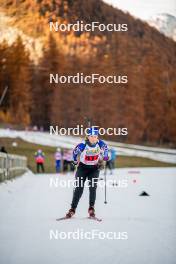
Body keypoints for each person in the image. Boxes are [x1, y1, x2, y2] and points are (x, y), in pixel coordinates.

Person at [65, 126, 109, 218]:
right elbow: (74, 152)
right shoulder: (83, 144)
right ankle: (72, 209)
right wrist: (75, 161)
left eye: (95, 136)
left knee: (93, 187)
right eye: (91, 136)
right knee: (79, 189)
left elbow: (106, 149)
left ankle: (91, 208)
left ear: (97, 137)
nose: (94, 138)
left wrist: (105, 157)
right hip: (82, 168)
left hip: (94, 168)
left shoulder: (100, 143)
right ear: (88, 136)